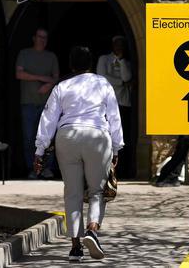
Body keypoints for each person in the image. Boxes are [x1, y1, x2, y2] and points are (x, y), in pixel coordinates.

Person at [34, 45, 123, 263]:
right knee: (96, 190)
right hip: (97, 135)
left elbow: (48, 118)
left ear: (71, 66)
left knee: (72, 192)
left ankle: (75, 247)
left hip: (68, 135)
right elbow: (114, 115)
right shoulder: (103, 83)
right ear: (91, 64)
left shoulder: (62, 86)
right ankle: (92, 230)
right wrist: (116, 146)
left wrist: (39, 149)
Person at [16, 27, 59, 178]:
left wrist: (49, 84)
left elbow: (56, 78)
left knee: (47, 138)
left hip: (47, 105)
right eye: (40, 37)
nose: (42, 40)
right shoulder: (25, 54)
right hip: (28, 103)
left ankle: (47, 168)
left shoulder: (51, 56)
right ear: (34, 38)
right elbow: (19, 74)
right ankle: (33, 169)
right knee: (29, 138)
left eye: (45, 38)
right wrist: (42, 78)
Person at [96, 35, 132, 175]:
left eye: (122, 44)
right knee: (107, 137)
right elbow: (102, 77)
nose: (119, 47)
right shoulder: (104, 59)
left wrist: (121, 61)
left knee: (121, 138)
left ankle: (122, 170)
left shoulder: (127, 62)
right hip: (107, 104)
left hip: (123, 103)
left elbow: (127, 77)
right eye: (117, 44)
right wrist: (122, 83)